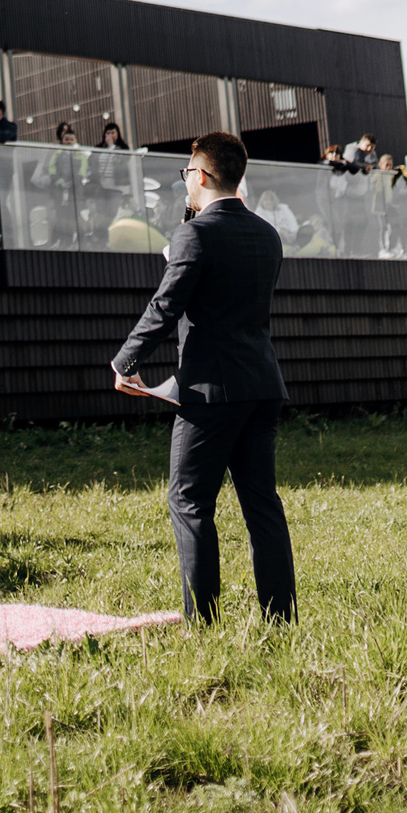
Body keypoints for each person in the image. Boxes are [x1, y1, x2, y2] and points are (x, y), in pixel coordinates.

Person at [110, 130, 296, 625]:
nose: (185, 181)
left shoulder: (194, 234)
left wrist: (125, 361)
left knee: (189, 501)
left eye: (187, 172)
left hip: (211, 392)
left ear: (203, 174)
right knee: (262, 505)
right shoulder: (268, 234)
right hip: (262, 384)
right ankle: (281, 620)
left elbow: (166, 305)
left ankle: (205, 623)